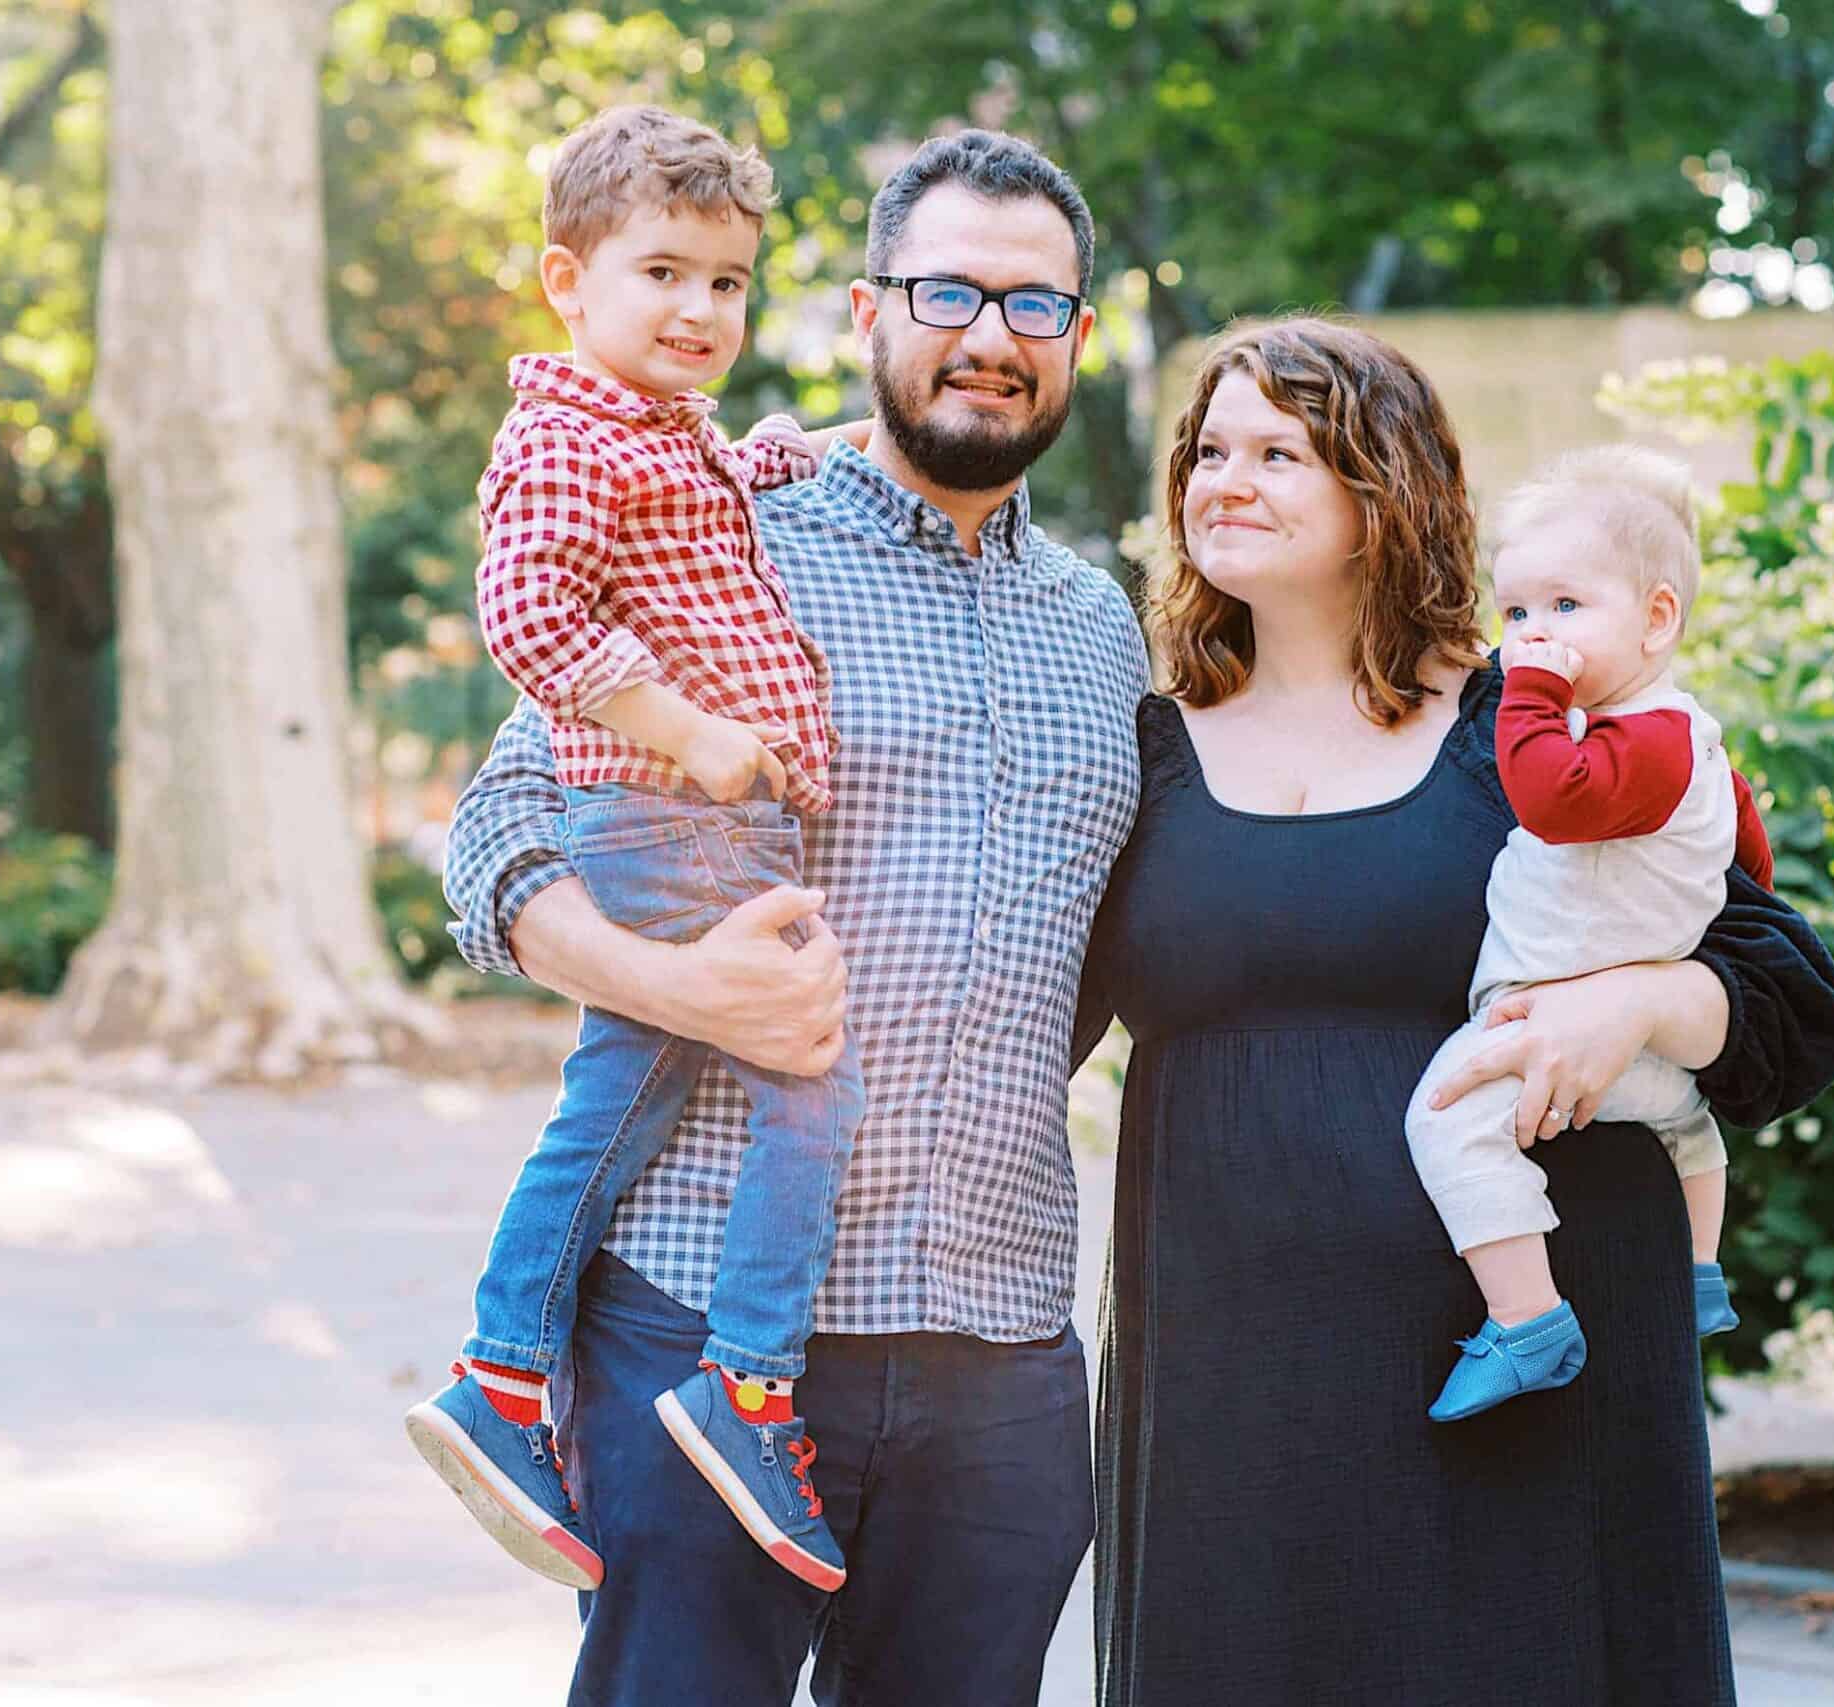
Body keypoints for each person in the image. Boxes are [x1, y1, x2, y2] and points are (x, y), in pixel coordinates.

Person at [440, 130, 1146, 1705]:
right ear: (862, 311)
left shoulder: (1106, 630)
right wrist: (679, 987)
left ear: (1079, 339)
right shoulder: (717, 528)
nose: (988, 336)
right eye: (947, 289)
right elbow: (495, 837)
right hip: (703, 1334)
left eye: (1035, 306)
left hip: (1002, 1341)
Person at [1079, 317, 1834, 1706]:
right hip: (1228, 1377)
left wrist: (1639, 998)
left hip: (1521, 1364)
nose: (1225, 479)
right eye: (1209, 450)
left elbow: (1789, 991)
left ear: (1383, 484)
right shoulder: (1135, 747)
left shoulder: (1535, 731)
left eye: (1279, 450)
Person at [406, 105, 873, 1596]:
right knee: (807, 1070)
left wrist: (794, 458)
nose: (701, 309)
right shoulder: (559, 434)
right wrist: (692, 735)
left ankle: (504, 1366)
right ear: (568, 279)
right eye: (664, 272)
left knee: (623, 1093)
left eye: (728, 282)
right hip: (673, 815)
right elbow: (529, 615)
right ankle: (743, 1384)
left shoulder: (661, 435)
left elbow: (699, 534)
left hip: (694, 818)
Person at [1402, 445, 1773, 1423]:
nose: (1530, 635)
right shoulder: (1685, 734)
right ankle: (1698, 1273)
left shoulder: (1639, 737)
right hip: (1638, 1050)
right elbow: (1749, 856)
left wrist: (1526, 698)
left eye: (1566, 608)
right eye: (1515, 612)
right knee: (1684, 1121)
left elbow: (1554, 802)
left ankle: (1526, 1321)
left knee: (1446, 1118)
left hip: (1554, 1023)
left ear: (1657, 618)